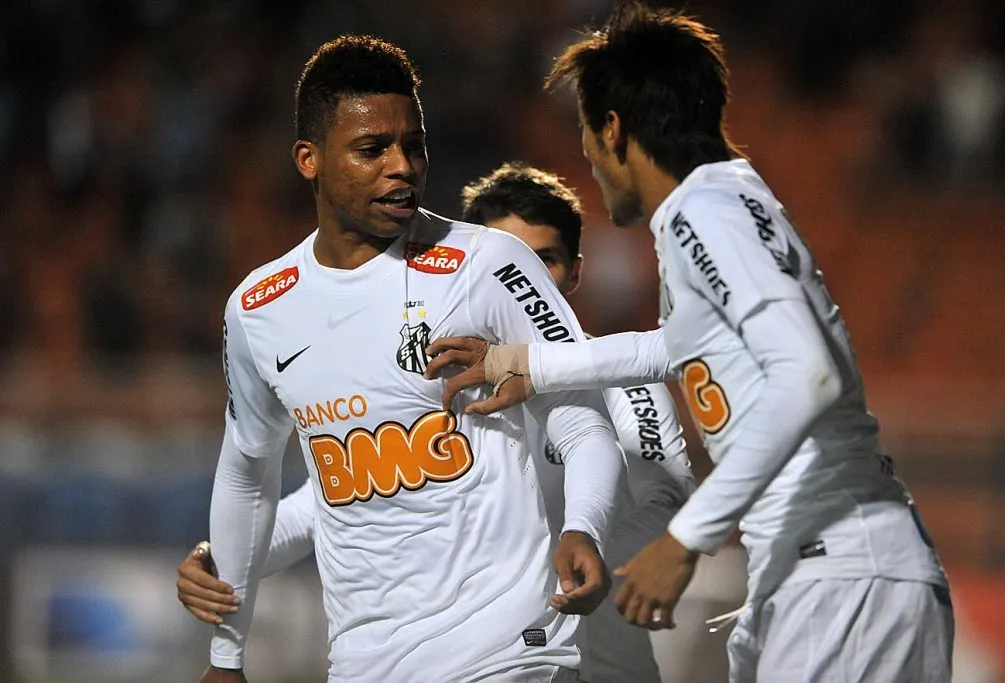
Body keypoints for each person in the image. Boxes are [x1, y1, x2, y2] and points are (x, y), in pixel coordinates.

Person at [424, 5, 954, 682]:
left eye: (586, 133)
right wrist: (522, 361)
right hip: (827, 569)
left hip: (841, 575)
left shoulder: (704, 213)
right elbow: (675, 348)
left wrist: (683, 541)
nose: (588, 158)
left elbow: (808, 374)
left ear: (612, 128)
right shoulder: (731, 199)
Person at [200, 35, 627, 683]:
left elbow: (582, 419)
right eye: (373, 149)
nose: (402, 165)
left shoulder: (489, 264)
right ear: (309, 160)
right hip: (365, 663)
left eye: (414, 145)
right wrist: (226, 656)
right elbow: (248, 475)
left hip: (510, 649)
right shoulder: (260, 309)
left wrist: (584, 527)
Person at [179, 162, 697, 683]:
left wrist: (571, 543)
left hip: (602, 663)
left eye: (546, 260)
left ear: (575, 272)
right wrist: (222, 559)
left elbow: (666, 506)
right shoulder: (440, 384)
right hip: (502, 651)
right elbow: (331, 504)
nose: (525, 276)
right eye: (511, 257)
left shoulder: (622, 381)